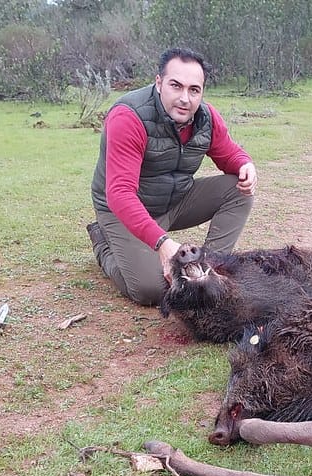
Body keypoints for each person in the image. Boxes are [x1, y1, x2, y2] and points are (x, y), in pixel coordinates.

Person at [88, 47, 257, 306]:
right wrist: (162, 243)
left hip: (174, 201)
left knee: (237, 189)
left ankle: (207, 267)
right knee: (152, 289)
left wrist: (245, 164)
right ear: (159, 83)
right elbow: (119, 193)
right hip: (122, 209)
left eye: (194, 90)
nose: (185, 99)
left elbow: (228, 153)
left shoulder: (206, 118)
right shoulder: (128, 117)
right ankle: (103, 242)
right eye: (176, 86)